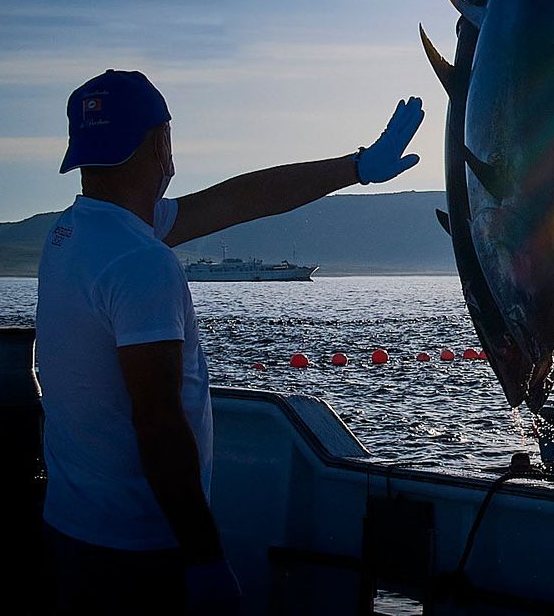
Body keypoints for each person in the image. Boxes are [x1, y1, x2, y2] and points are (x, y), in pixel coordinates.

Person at [36, 69, 422, 614]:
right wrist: (204, 558)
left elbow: (241, 200)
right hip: (138, 551)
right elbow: (158, 423)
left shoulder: (71, 233)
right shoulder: (141, 260)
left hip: (71, 526)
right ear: (160, 143)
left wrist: (355, 166)